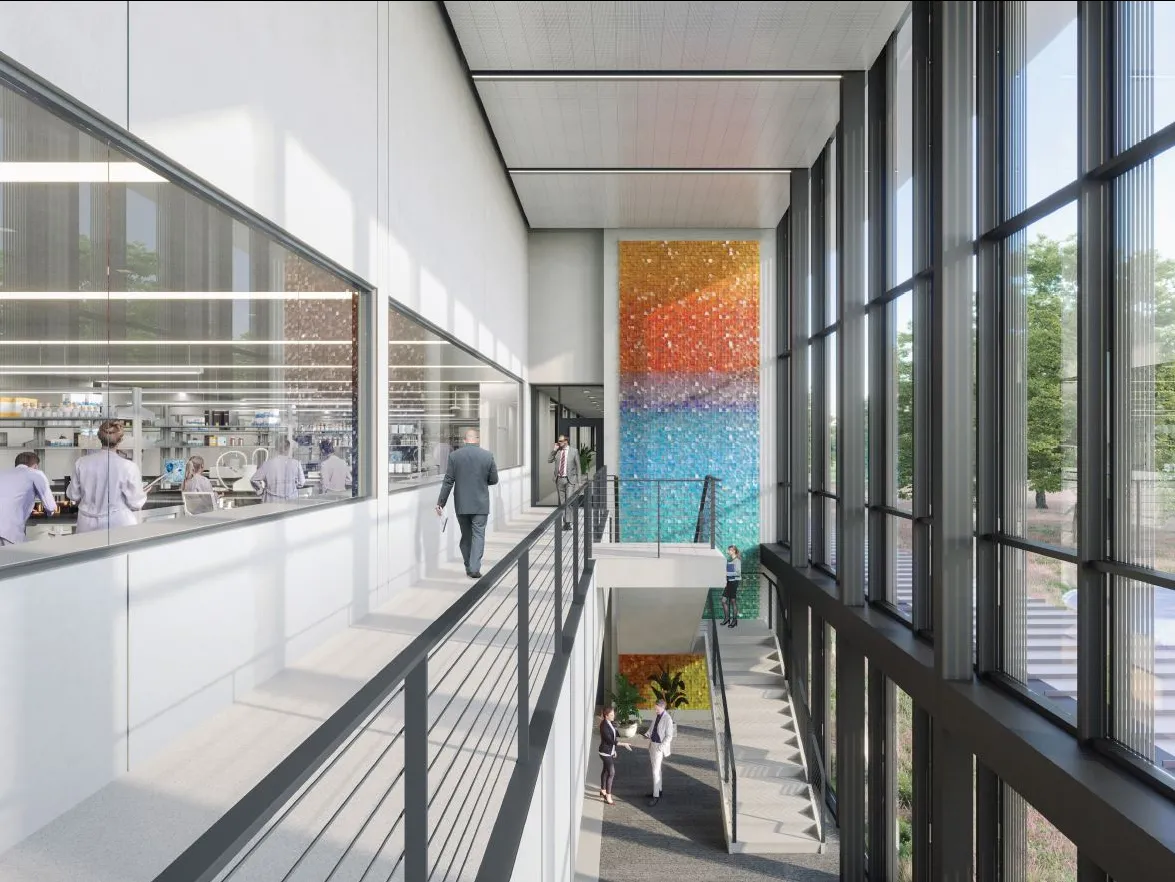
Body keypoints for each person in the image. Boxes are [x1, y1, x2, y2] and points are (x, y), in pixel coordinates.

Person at [435, 428, 499, 578]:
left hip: (462, 504)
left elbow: (448, 481)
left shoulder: (455, 456)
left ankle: (468, 566)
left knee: (466, 535)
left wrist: (441, 502)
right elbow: (494, 479)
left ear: (464, 440)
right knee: (478, 535)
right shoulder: (487, 456)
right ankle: (474, 568)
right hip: (480, 503)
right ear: (478, 439)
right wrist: (483, 482)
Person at [68, 420, 148, 534]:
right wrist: (142, 494)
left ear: (100, 438)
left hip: (86, 525)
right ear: (120, 440)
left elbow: (73, 495)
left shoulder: (82, 462)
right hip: (118, 524)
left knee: (86, 551)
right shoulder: (128, 466)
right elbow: (136, 503)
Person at [0, 451, 57, 545]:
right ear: (35, 466)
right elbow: (51, 507)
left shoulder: (2, 473)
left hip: (6, 529)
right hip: (8, 531)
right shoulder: (36, 473)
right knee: (16, 558)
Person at [250, 439, 306, 503]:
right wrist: (291, 486)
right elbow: (302, 482)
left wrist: (261, 491)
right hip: (291, 500)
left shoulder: (267, 464)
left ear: (276, 449)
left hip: (272, 500)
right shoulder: (296, 463)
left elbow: (254, 480)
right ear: (288, 449)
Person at [643, 698, 676, 806]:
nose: (655, 710)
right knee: (657, 769)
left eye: (657, 709)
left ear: (662, 707)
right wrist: (647, 734)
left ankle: (655, 795)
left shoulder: (668, 719)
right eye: (655, 709)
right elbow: (653, 728)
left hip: (658, 747)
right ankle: (659, 790)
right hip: (652, 745)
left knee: (655, 771)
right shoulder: (657, 715)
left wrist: (661, 747)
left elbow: (669, 736)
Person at [547, 434, 580, 530]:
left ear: (566, 441)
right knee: (562, 503)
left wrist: (579, 481)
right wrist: (554, 449)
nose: (559, 443)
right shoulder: (557, 452)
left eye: (561, 441)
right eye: (559, 441)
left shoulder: (574, 451)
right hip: (559, 479)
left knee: (568, 501)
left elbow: (578, 466)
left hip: (570, 480)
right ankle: (566, 522)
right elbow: (549, 460)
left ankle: (568, 522)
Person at [597, 706, 628, 805]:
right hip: (604, 752)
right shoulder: (604, 726)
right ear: (606, 716)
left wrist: (614, 751)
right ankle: (608, 796)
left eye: (613, 714)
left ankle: (603, 790)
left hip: (609, 751)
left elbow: (612, 738)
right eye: (611, 715)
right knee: (611, 772)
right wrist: (624, 744)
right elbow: (610, 741)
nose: (613, 716)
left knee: (605, 771)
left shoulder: (609, 723)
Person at [722, 545, 742, 627]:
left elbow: (738, 573)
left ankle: (734, 620)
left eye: (729, 550)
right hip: (729, 582)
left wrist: (727, 573)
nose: (728, 551)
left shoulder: (737, 561)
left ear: (733, 551)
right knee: (723, 600)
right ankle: (727, 618)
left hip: (734, 582)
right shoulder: (731, 560)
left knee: (733, 601)